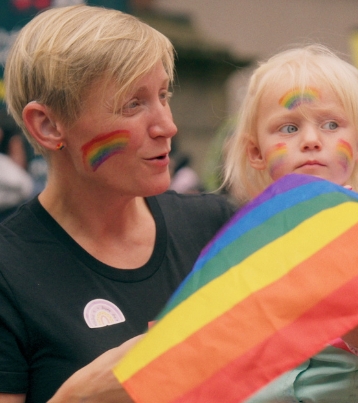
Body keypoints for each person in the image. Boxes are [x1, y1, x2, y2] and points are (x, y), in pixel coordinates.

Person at [0, 5, 237, 403]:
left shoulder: (216, 226)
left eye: (164, 95)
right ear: (47, 125)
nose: (167, 126)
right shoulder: (9, 271)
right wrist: (78, 397)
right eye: (133, 104)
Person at [221, 44, 358, 403]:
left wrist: (340, 271)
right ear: (256, 152)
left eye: (330, 124)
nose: (310, 141)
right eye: (289, 127)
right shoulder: (244, 239)